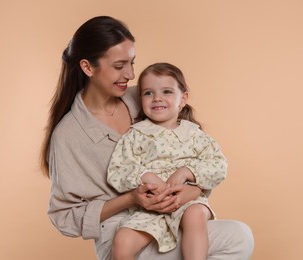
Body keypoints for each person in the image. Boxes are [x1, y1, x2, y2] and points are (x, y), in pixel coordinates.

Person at [41, 16, 254, 260]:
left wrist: (192, 191)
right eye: (119, 66)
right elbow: (64, 217)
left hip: (174, 217)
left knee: (239, 236)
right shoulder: (67, 135)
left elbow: (192, 150)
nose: (131, 74)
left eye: (132, 62)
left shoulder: (145, 97)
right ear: (88, 67)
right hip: (124, 235)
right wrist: (131, 199)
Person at [107, 62, 228, 260]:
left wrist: (187, 171)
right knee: (123, 240)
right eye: (148, 93)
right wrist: (145, 176)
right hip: (149, 208)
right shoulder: (135, 135)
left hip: (187, 202)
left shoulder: (194, 135)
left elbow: (218, 166)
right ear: (140, 99)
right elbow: (117, 170)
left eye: (167, 91)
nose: (157, 98)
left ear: (183, 98)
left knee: (195, 215)